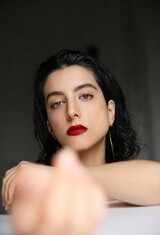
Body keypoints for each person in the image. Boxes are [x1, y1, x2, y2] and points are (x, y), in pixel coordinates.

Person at [2, 50, 160, 235]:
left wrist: (62, 175)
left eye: (85, 96)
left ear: (110, 113)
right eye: (57, 103)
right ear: (50, 127)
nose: (71, 111)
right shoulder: (34, 188)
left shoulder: (140, 177)